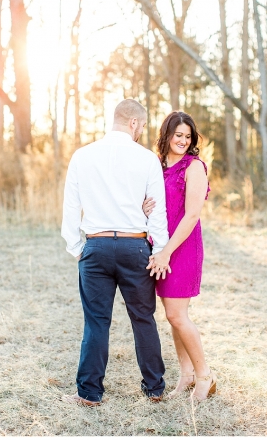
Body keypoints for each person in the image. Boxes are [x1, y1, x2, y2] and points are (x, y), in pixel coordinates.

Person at [60, 99, 172, 406]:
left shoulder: (82, 156)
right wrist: (159, 249)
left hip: (95, 247)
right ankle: (154, 388)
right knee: (143, 318)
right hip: (135, 246)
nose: (142, 132)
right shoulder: (146, 159)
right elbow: (158, 211)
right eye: (143, 126)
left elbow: (71, 206)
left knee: (96, 321)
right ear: (134, 123)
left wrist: (77, 247)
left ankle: (89, 393)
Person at [143, 111, 215, 402]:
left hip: (180, 248)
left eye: (188, 136)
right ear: (167, 135)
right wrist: (145, 210)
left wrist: (166, 252)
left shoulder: (194, 167)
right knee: (173, 317)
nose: (183, 141)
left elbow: (192, 214)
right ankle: (186, 375)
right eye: (178, 135)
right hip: (160, 246)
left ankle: (205, 376)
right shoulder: (158, 166)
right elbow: (158, 205)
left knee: (177, 314)